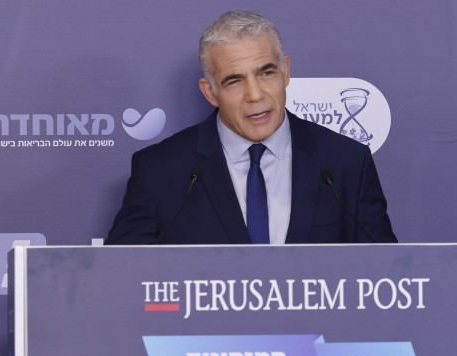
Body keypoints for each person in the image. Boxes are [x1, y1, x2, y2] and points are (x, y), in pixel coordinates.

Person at [105, 11, 396, 245]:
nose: (255, 95)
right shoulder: (160, 171)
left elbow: (386, 274)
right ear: (210, 92)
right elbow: (121, 276)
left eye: (266, 73)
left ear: (285, 71)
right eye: (234, 81)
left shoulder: (346, 163)